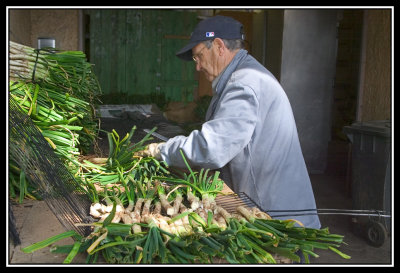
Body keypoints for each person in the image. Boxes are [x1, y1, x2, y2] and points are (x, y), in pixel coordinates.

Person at [144, 15, 321, 229]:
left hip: (280, 221)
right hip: (272, 210)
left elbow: (213, 147)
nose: (197, 67)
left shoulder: (244, 83)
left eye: (198, 56)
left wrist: (163, 151)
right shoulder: (242, 77)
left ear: (218, 46)